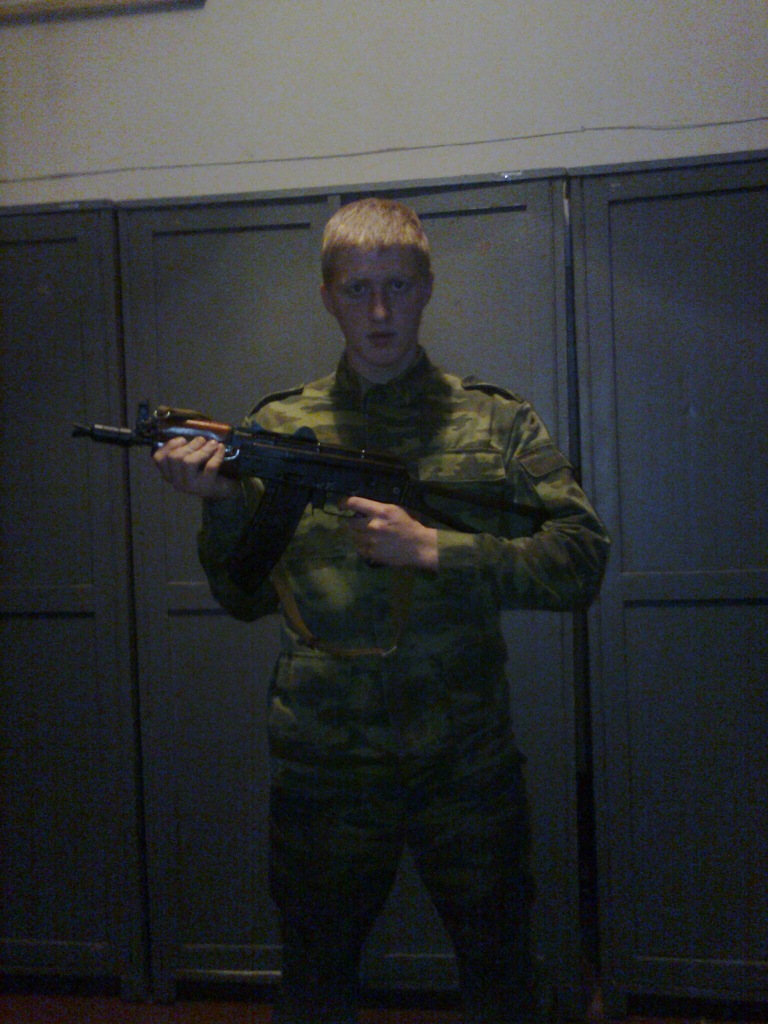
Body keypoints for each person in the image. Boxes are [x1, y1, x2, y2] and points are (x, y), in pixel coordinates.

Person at [153, 197, 610, 1023]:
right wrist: (218, 506)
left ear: (426, 288)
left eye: (397, 286)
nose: (378, 311)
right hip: (323, 768)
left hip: (465, 764)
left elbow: (582, 560)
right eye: (357, 288)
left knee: (502, 978)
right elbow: (242, 598)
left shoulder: (495, 422)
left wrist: (436, 548)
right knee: (315, 984)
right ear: (327, 296)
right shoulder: (279, 428)